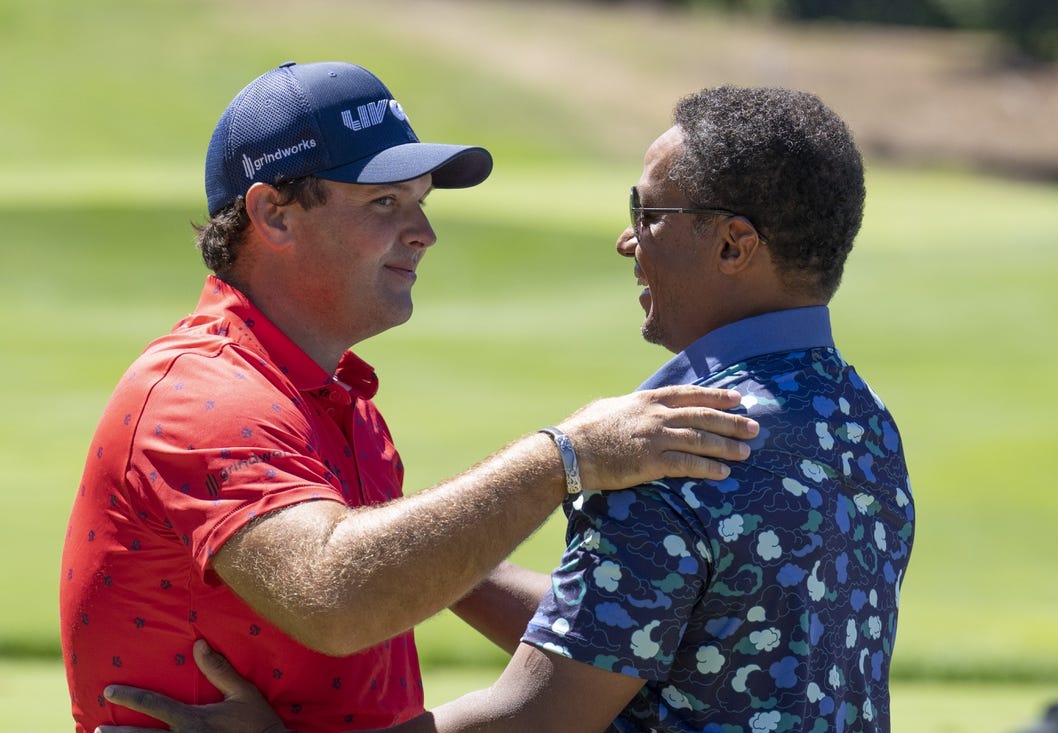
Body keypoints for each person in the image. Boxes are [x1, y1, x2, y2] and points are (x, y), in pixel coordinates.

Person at [98, 85, 915, 733]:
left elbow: (535, 714)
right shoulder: (863, 418)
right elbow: (645, 635)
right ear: (273, 211)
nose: (627, 241)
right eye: (387, 200)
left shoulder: (670, 444)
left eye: (648, 213)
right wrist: (436, 547)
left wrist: (567, 455)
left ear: (734, 244)